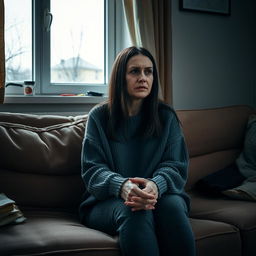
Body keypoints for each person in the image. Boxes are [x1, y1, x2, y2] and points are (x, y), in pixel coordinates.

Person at [79, 46, 196, 256]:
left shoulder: (166, 116)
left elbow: (175, 166)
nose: (143, 78)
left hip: (160, 195)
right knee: (134, 209)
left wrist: (155, 186)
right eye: (135, 71)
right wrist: (122, 186)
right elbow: (93, 171)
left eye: (148, 71)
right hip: (106, 202)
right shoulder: (98, 117)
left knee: (172, 207)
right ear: (120, 77)